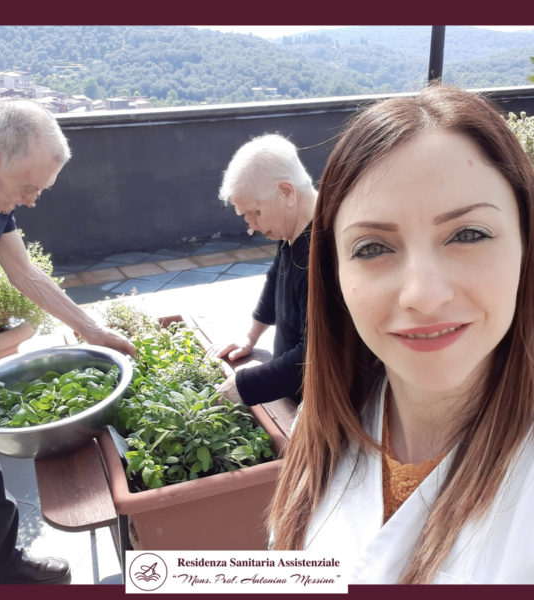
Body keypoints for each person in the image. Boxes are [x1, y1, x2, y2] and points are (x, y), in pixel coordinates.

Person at [267, 85, 534, 584]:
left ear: (525, 245)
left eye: (468, 234)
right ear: (336, 274)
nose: (423, 295)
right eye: (372, 248)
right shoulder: (326, 415)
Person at [0, 98, 136, 585]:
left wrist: (93, 331)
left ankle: (6, 568)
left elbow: (25, 273)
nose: (31, 201)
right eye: (28, 188)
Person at [212, 134, 317, 406]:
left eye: (255, 213)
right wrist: (250, 336)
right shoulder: (292, 232)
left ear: (286, 192)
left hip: (319, 403)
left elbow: (314, 355)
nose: (250, 227)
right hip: (293, 390)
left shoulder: (323, 255)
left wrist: (246, 386)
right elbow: (276, 280)